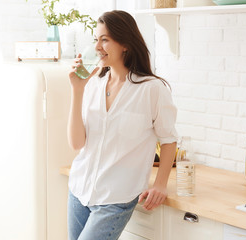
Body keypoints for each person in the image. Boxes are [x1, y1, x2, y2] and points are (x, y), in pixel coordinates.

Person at [67, 10, 178, 240]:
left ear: (125, 43)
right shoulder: (93, 84)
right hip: (79, 191)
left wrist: (160, 184)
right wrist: (77, 90)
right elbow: (77, 143)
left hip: (115, 198)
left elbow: (168, 139)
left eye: (104, 39)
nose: (97, 46)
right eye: (95, 39)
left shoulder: (152, 89)